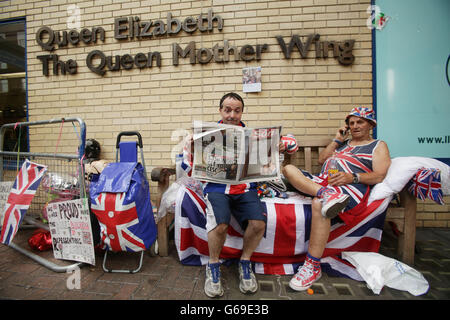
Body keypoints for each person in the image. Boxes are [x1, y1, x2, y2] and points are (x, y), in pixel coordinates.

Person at [180, 92, 289, 298]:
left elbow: (272, 161)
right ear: (220, 110)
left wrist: (277, 148)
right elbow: (189, 164)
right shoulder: (206, 135)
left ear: (242, 112)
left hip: (245, 188)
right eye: (227, 110)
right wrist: (192, 146)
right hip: (217, 188)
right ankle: (213, 265)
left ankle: (245, 262)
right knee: (220, 225)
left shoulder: (253, 135)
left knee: (258, 224)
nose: (232, 115)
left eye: (236, 110)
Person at [282, 106, 391, 291]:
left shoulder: (378, 145)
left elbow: (379, 175)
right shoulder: (343, 143)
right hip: (324, 184)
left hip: (350, 187)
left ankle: (312, 265)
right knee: (288, 169)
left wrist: (353, 177)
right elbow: (321, 160)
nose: (355, 126)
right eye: (351, 123)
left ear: (371, 124)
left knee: (320, 204)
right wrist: (337, 140)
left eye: (360, 122)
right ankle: (327, 194)